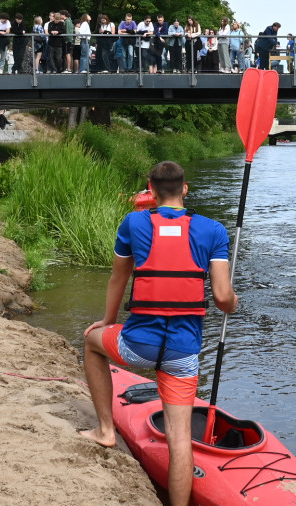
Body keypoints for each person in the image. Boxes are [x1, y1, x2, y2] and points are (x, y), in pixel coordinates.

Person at [79, 161, 238, 506]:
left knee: (92, 345)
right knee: (179, 438)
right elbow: (224, 298)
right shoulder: (214, 230)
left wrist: (106, 321)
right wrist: (234, 303)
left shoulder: (134, 222)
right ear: (185, 189)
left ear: (150, 190)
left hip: (137, 346)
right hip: (183, 353)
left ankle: (106, 431)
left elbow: (118, 279)